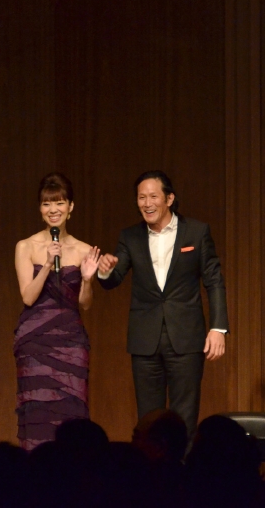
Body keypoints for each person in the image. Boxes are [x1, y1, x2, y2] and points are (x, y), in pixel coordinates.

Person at [96, 170, 228, 441]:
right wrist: (105, 270)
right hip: (145, 339)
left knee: (185, 418)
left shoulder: (196, 232)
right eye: (141, 198)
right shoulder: (130, 237)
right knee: (148, 421)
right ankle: (149, 468)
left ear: (169, 199)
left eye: (153, 197)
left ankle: (183, 468)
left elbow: (214, 280)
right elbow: (114, 279)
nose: (147, 203)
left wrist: (218, 328)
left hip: (186, 338)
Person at [13, 172, 101, 451]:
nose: (53, 210)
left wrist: (87, 279)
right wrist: (48, 264)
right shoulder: (26, 246)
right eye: (47, 204)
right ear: (40, 209)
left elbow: (85, 304)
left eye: (59, 203)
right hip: (36, 342)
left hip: (71, 342)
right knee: (38, 414)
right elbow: (28, 297)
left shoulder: (84, 249)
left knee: (72, 416)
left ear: (70, 207)